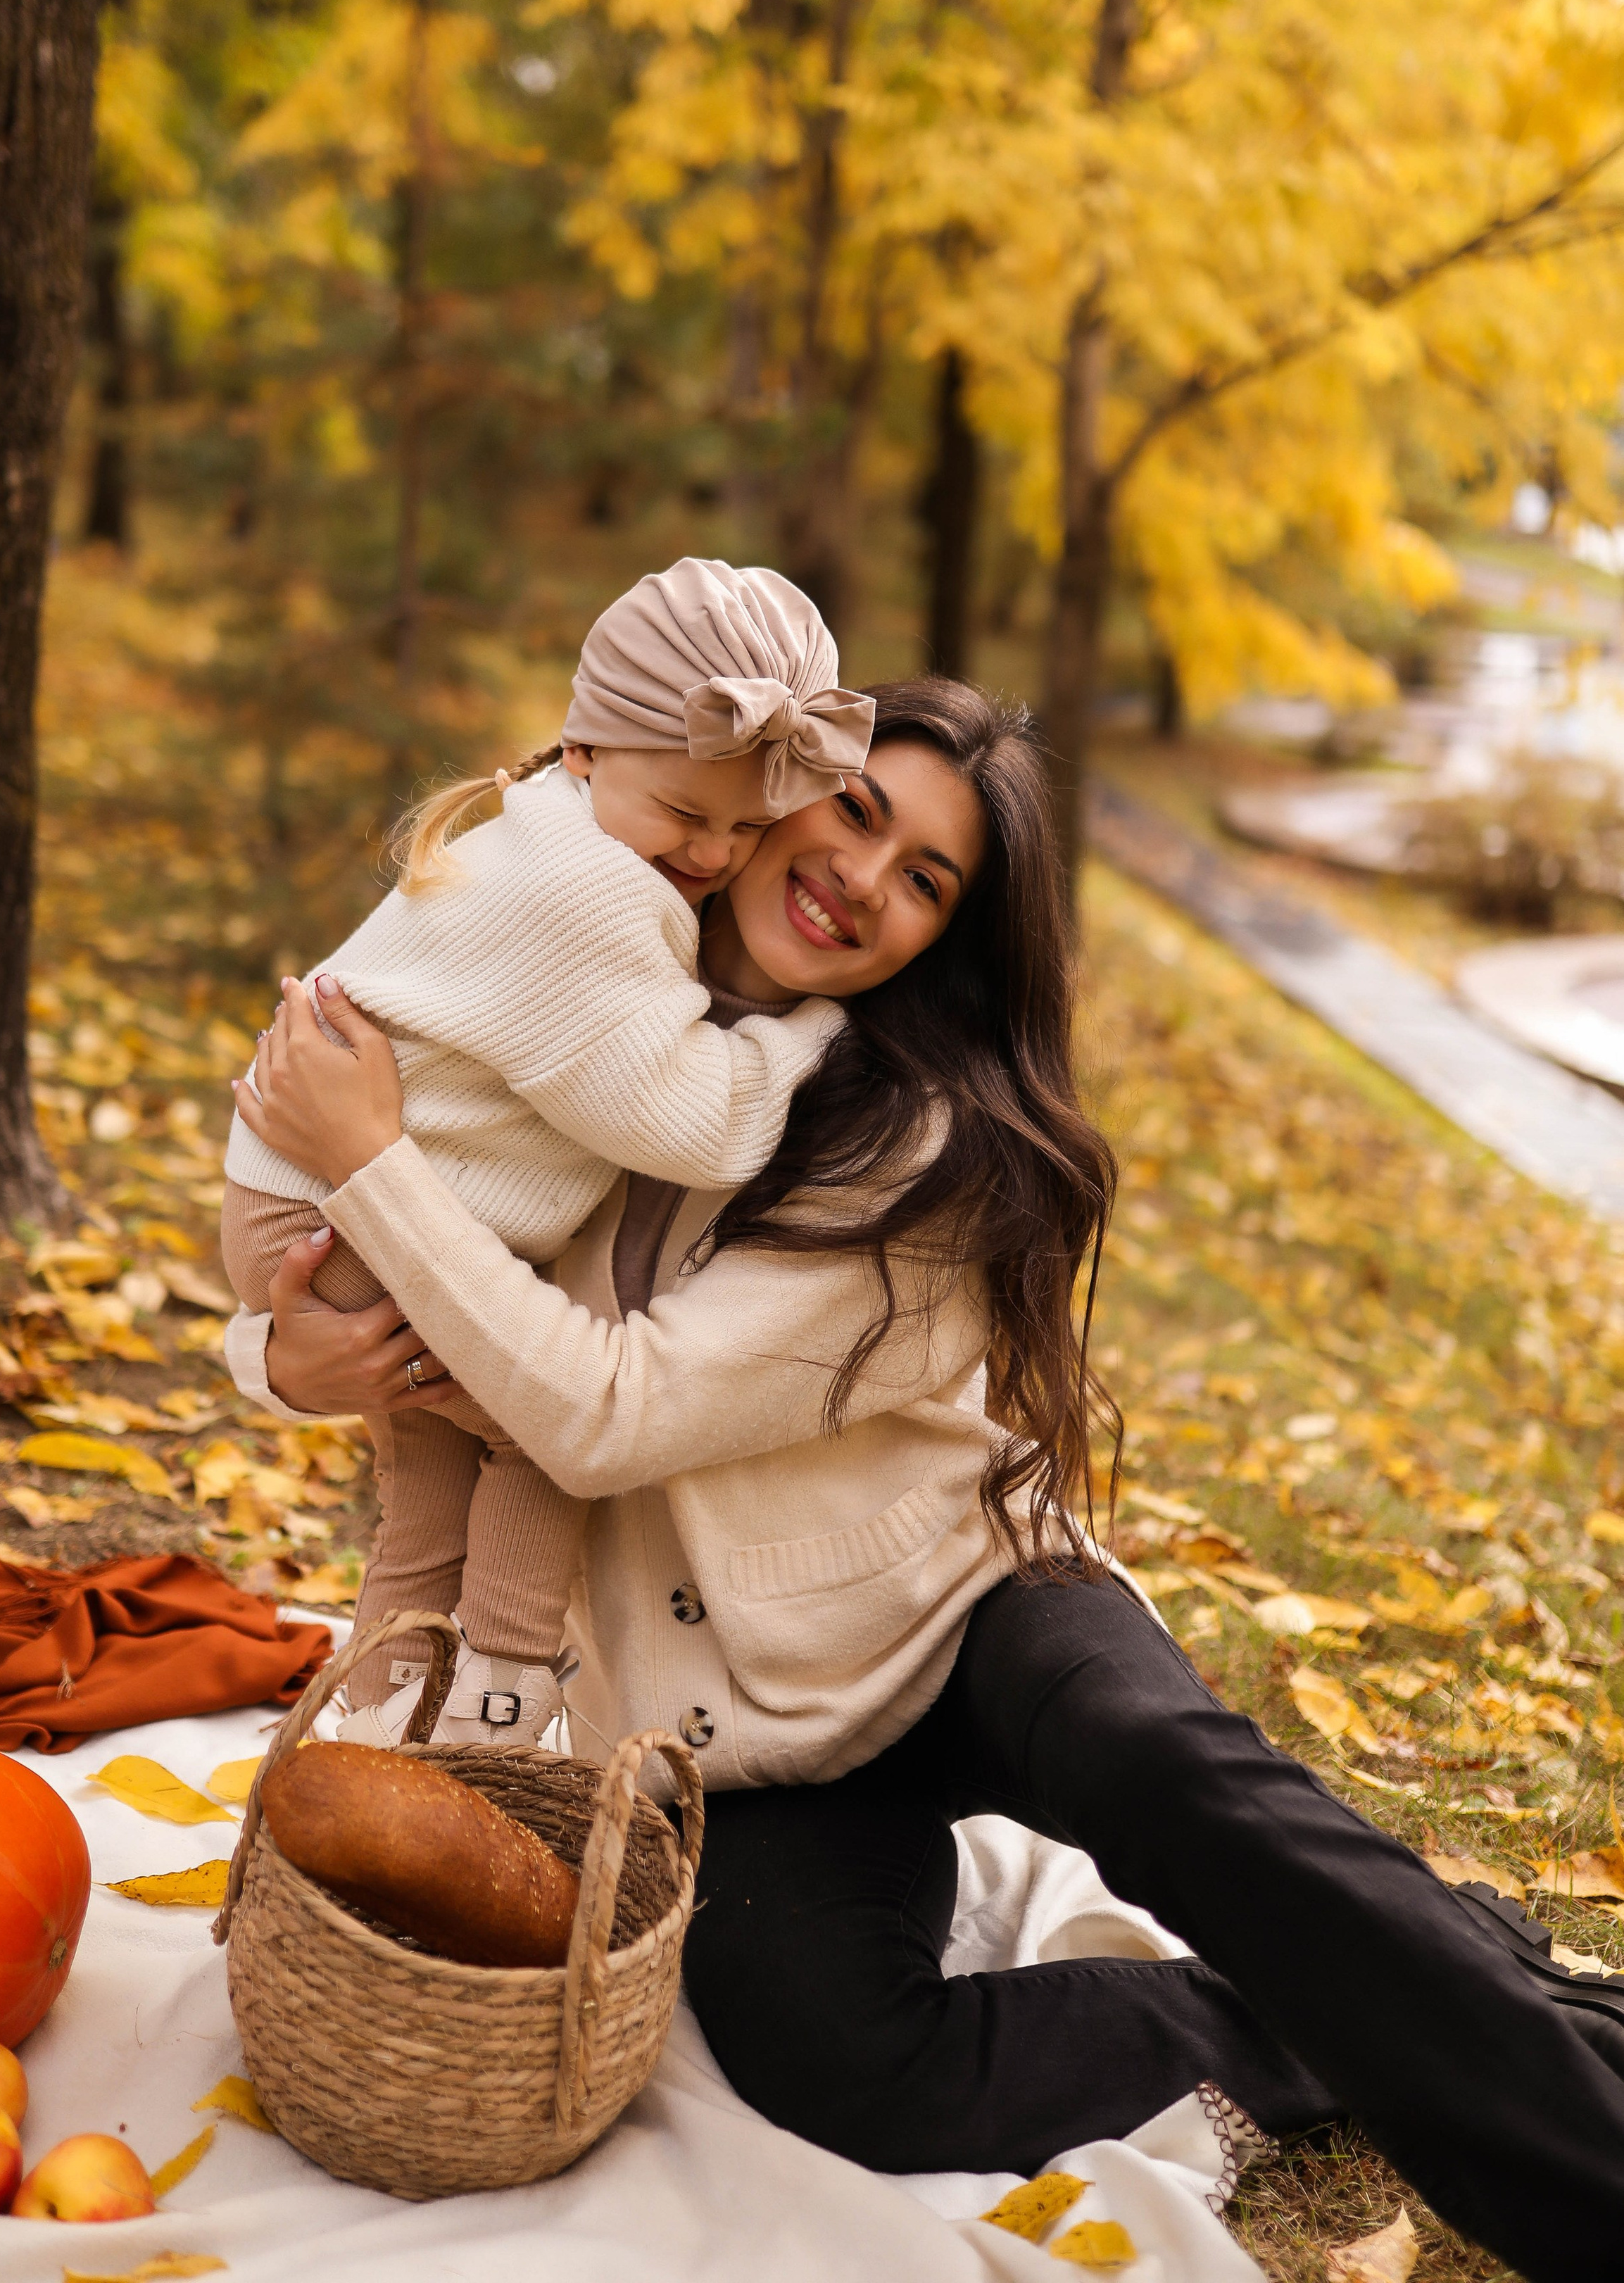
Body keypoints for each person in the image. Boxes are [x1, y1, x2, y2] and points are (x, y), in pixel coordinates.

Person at [229, 679, 1624, 2283]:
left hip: (964, 1609)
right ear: (779, 789)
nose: (862, 884)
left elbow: (603, 1412)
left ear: (942, 942)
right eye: (856, 816)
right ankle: (1323, 2006)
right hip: (729, 1719)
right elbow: (327, 1279)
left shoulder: (923, 1142)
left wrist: (370, 1161)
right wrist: (276, 1360)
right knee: (839, 2069)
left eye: (925, 884)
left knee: (1157, 1766)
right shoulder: (584, 987)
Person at [220, 555, 873, 1744]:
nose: (717, 855)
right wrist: (817, 1032)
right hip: (343, 1210)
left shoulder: (565, 838)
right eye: (687, 815)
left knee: (425, 1506)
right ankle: (503, 1705)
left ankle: (373, 1727)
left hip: (312, 1196)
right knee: (536, 1427)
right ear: (584, 749)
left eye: (747, 825)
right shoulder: (585, 894)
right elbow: (705, 1121)